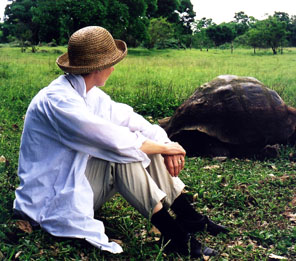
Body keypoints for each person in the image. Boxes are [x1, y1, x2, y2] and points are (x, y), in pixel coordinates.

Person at [13, 26, 228, 257]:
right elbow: (116, 141)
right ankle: (175, 236)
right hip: (50, 198)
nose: (114, 67)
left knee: (147, 146)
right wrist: (165, 147)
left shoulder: (88, 93)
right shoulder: (59, 101)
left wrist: (165, 146)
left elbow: (130, 120)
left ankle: (189, 217)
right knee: (122, 156)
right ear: (98, 67)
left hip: (75, 182)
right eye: (111, 62)